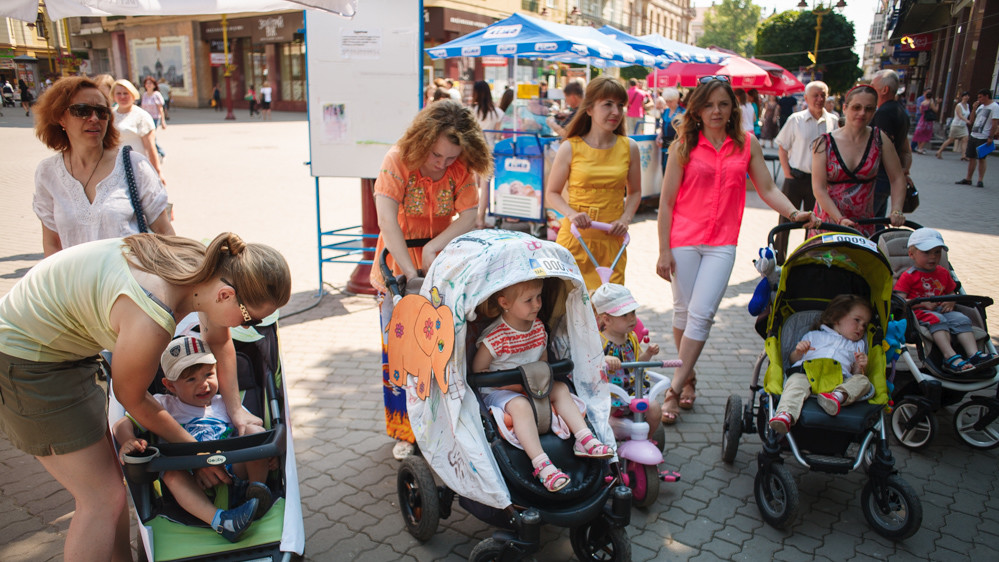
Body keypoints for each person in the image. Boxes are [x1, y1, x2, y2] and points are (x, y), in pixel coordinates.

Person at [0, 231, 291, 561]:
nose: (254, 325)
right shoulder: (153, 317)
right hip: (30, 360)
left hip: (61, 344)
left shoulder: (204, 268)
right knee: (100, 498)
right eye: (251, 317)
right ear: (225, 295)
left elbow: (219, 339)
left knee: (110, 494)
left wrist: (235, 409)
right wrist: (196, 454)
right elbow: (131, 397)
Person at [656, 76, 819, 424]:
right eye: (709, 104)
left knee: (702, 314)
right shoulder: (684, 144)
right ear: (697, 109)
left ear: (733, 107)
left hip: (722, 243)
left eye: (723, 104)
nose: (716, 111)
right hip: (683, 239)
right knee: (683, 314)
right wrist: (662, 250)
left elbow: (768, 186)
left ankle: (673, 389)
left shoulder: (746, 144)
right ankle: (690, 378)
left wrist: (794, 212)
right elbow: (666, 203)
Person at [370, 100, 491, 460]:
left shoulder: (461, 166)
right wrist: (411, 274)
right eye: (436, 155)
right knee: (402, 355)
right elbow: (387, 221)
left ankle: (443, 424)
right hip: (398, 267)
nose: (442, 164)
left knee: (441, 349)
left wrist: (435, 248)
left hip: (440, 264)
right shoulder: (398, 159)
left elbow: (470, 214)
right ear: (423, 141)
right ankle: (405, 430)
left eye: (450, 158)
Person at [113, 336, 273, 542]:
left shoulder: (225, 401)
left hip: (233, 471)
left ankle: (257, 495)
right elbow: (121, 424)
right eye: (191, 379)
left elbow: (253, 427)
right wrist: (127, 439)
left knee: (254, 433)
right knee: (171, 474)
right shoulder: (163, 405)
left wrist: (264, 456)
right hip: (191, 478)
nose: (204, 384)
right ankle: (221, 521)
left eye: (208, 374)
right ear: (170, 386)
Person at [471, 279, 614, 492]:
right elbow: (478, 373)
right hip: (500, 390)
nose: (537, 304)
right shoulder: (496, 337)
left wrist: (539, 381)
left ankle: (584, 439)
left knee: (561, 389)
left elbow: (544, 363)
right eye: (528, 300)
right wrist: (513, 385)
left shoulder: (538, 328)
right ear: (505, 303)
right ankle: (542, 465)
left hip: (532, 384)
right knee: (521, 406)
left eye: (539, 297)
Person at [32, 77, 174, 257]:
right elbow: (52, 243)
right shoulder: (47, 173)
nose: (94, 118)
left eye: (101, 112)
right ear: (61, 117)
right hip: (76, 283)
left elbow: (165, 231)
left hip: (130, 282)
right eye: (82, 110)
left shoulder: (134, 165)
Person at [545, 75, 642, 292]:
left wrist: (625, 219)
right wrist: (570, 213)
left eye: (620, 105)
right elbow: (552, 193)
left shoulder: (630, 147)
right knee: (570, 312)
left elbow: (635, 192)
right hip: (575, 241)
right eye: (607, 104)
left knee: (609, 314)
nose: (616, 112)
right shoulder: (570, 147)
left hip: (612, 244)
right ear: (589, 109)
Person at [894, 228, 997, 372]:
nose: (933, 257)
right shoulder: (909, 276)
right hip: (919, 313)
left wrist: (951, 301)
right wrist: (922, 303)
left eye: (937, 252)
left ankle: (974, 354)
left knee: (961, 319)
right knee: (937, 319)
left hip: (943, 310)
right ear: (911, 254)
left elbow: (951, 293)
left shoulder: (943, 272)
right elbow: (899, 300)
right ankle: (950, 357)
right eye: (927, 252)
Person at [767, 295, 873, 434]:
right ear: (837, 317)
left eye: (864, 325)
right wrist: (799, 351)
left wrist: (860, 366)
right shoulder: (814, 336)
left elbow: (855, 374)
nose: (861, 327)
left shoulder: (858, 345)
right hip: (808, 374)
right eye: (857, 320)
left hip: (838, 380)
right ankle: (786, 414)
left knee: (863, 381)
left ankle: (837, 397)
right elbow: (792, 361)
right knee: (795, 382)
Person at [812, 85, 907, 237]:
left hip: (863, 224)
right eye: (856, 107)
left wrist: (896, 210)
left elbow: (897, 178)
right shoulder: (824, 143)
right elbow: (819, 189)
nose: (862, 113)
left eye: (869, 109)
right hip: (828, 222)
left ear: (874, 111)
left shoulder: (879, 139)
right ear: (845, 108)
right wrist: (840, 219)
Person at [773, 81, 838, 263]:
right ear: (807, 98)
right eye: (815, 95)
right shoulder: (796, 119)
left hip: (819, 183)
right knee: (786, 220)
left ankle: (807, 259)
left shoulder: (833, 121)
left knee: (815, 223)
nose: (819, 99)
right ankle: (779, 259)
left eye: (822, 95)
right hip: (795, 177)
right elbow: (782, 147)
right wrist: (787, 172)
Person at [593, 284, 663, 437]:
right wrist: (604, 358)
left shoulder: (631, 338)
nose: (632, 318)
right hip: (610, 392)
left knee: (655, 409)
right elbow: (590, 363)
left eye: (633, 312)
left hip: (634, 390)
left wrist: (649, 354)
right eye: (624, 315)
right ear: (607, 319)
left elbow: (639, 362)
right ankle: (604, 444)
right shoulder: (599, 340)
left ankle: (647, 438)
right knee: (601, 419)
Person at [870, 69, 912, 217]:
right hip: (888, 176)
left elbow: (878, 147)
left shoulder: (884, 113)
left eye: (872, 86)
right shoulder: (900, 111)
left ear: (884, 90)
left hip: (879, 175)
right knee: (877, 222)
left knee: (868, 221)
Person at [112, 78, 167, 185]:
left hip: (136, 167)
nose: (122, 96)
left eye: (125, 93)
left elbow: (150, 148)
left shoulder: (142, 116)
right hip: (115, 168)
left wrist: (158, 172)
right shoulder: (110, 115)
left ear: (133, 95)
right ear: (113, 96)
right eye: (118, 93)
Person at [471, 81, 504, 228]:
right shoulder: (497, 113)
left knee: (470, 185)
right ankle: (480, 219)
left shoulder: (470, 111)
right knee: (485, 187)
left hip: (472, 150)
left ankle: (469, 219)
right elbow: (498, 136)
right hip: (489, 151)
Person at [956, 88, 999, 188]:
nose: (979, 99)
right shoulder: (980, 107)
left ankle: (980, 180)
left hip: (984, 136)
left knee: (981, 158)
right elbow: (971, 120)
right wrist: (974, 109)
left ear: (986, 96)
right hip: (974, 134)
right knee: (971, 157)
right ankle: (968, 178)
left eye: (980, 97)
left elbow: (995, 123)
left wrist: (990, 137)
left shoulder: (994, 107)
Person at [655, 87, 685, 172]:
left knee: (675, 168)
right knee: (664, 167)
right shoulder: (665, 111)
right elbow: (663, 126)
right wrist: (659, 136)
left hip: (677, 144)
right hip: (665, 144)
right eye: (667, 101)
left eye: (670, 101)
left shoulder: (683, 112)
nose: (668, 103)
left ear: (676, 99)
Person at [936, 91, 971, 159]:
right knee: (951, 140)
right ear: (962, 97)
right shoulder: (959, 105)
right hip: (956, 125)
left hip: (963, 126)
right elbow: (960, 115)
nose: (967, 97)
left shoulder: (967, 105)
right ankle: (939, 151)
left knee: (965, 139)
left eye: (968, 96)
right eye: (965, 96)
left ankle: (964, 155)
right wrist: (967, 121)